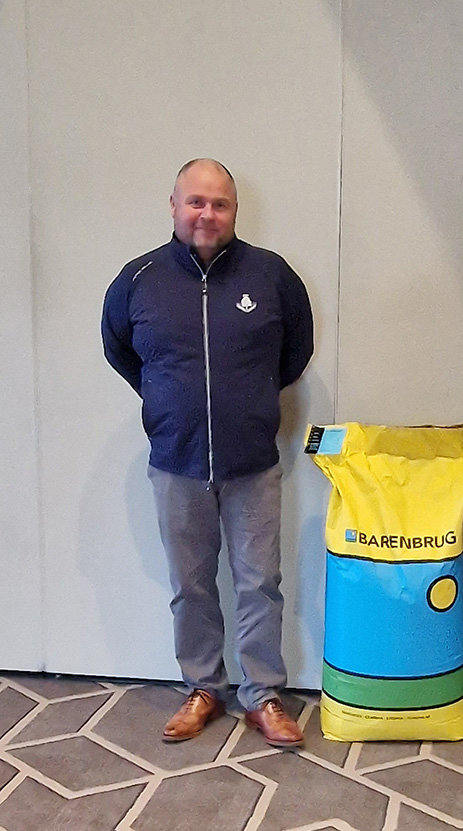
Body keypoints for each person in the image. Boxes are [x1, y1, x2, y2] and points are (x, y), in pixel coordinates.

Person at [102, 159, 313, 747]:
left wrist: (247, 401)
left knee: (258, 583)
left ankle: (264, 694)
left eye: (219, 204)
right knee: (190, 584)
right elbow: (121, 350)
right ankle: (203, 688)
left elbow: (294, 353)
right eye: (195, 202)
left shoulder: (272, 277)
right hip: (176, 461)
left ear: (234, 211)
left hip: (252, 462)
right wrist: (172, 402)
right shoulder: (138, 280)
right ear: (173, 206)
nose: (207, 214)